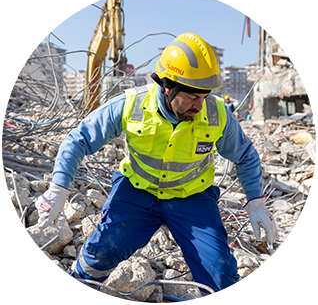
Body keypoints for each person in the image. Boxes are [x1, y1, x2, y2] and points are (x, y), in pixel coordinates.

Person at [35, 33, 277, 304]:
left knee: (219, 271)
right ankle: (75, 298)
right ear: (167, 87)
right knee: (102, 250)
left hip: (192, 198)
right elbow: (79, 138)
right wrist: (58, 188)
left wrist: (256, 201)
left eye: (205, 96)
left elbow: (245, 155)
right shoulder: (131, 104)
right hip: (136, 192)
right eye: (191, 97)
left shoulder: (216, 113)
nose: (199, 105)